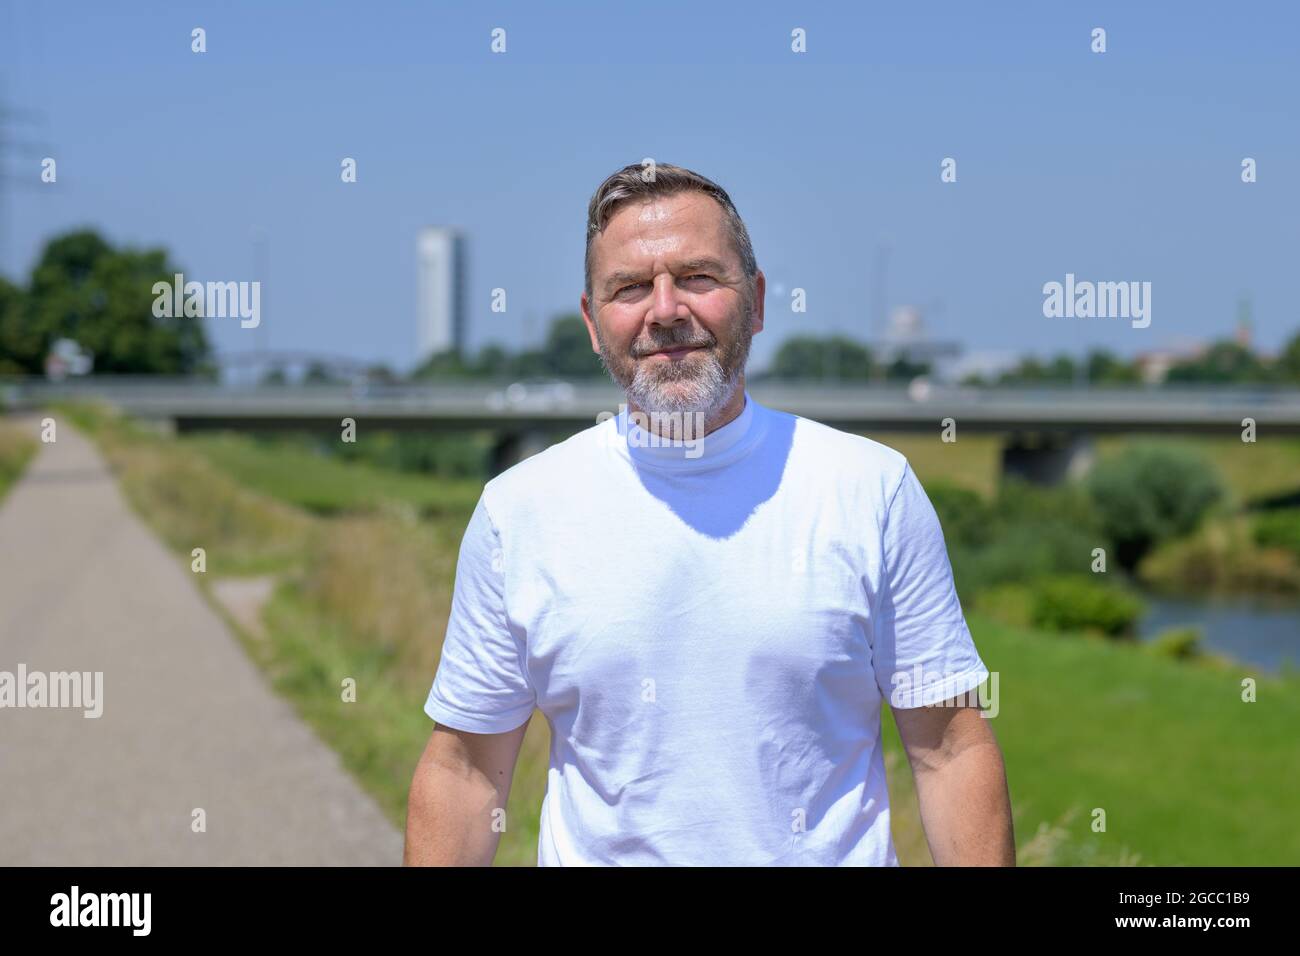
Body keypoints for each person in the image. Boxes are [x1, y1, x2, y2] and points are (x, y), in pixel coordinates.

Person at [403, 162, 1015, 866]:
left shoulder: (870, 489)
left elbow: (949, 750)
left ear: (755, 301)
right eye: (630, 288)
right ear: (594, 323)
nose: (665, 310)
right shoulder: (519, 511)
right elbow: (467, 770)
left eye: (697, 277)